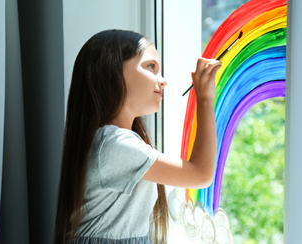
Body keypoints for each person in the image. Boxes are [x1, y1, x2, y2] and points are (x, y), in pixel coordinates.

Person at [53, 29, 222, 244]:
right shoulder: (116, 145)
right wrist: (205, 99)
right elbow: (201, 174)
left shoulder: (113, 141)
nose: (163, 81)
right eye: (151, 67)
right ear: (113, 73)